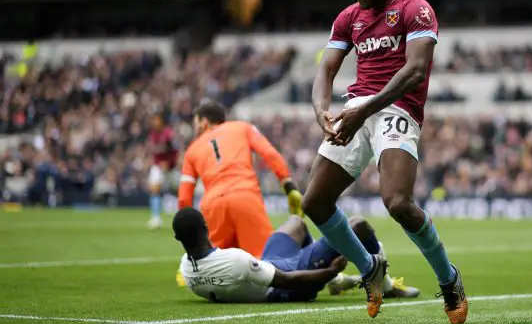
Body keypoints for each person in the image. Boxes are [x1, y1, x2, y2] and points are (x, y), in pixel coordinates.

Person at [300, 0, 467, 323]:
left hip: (397, 109)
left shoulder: (414, 8)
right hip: (357, 108)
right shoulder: (348, 18)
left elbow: (416, 71)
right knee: (314, 203)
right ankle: (369, 268)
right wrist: (321, 111)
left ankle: (448, 278)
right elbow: (325, 70)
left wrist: (364, 111)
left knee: (397, 203)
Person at [174, 208, 415, 303]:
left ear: (180, 240)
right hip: (287, 281)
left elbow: (246, 270)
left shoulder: (187, 269)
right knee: (359, 226)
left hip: (266, 267)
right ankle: (386, 285)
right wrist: (329, 271)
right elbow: (288, 281)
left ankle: (331, 278)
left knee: (295, 223)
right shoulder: (234, 260)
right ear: (206, 229)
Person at [177, 100, 303, 258]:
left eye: (196, 122)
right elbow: (270, 154)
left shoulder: (192, 149)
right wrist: (288, 185)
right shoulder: (242, 128)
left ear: (204, 121)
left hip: (214, 205)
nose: (195, 127)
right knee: (266, 261)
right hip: (245, 195)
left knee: (219, 267)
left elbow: (184, 198)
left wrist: (189, 234)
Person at [147, 112, 179, 230]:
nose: (154, 122)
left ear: (161, 121)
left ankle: (185, 215)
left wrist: (169, 163)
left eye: (156, 120)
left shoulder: (168, 133)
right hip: (158, 165)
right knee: (154, 188)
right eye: (153, 120)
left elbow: (175, 150)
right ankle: (156, 218)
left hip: (170, 167)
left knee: (179, 191)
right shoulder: (153, 134)